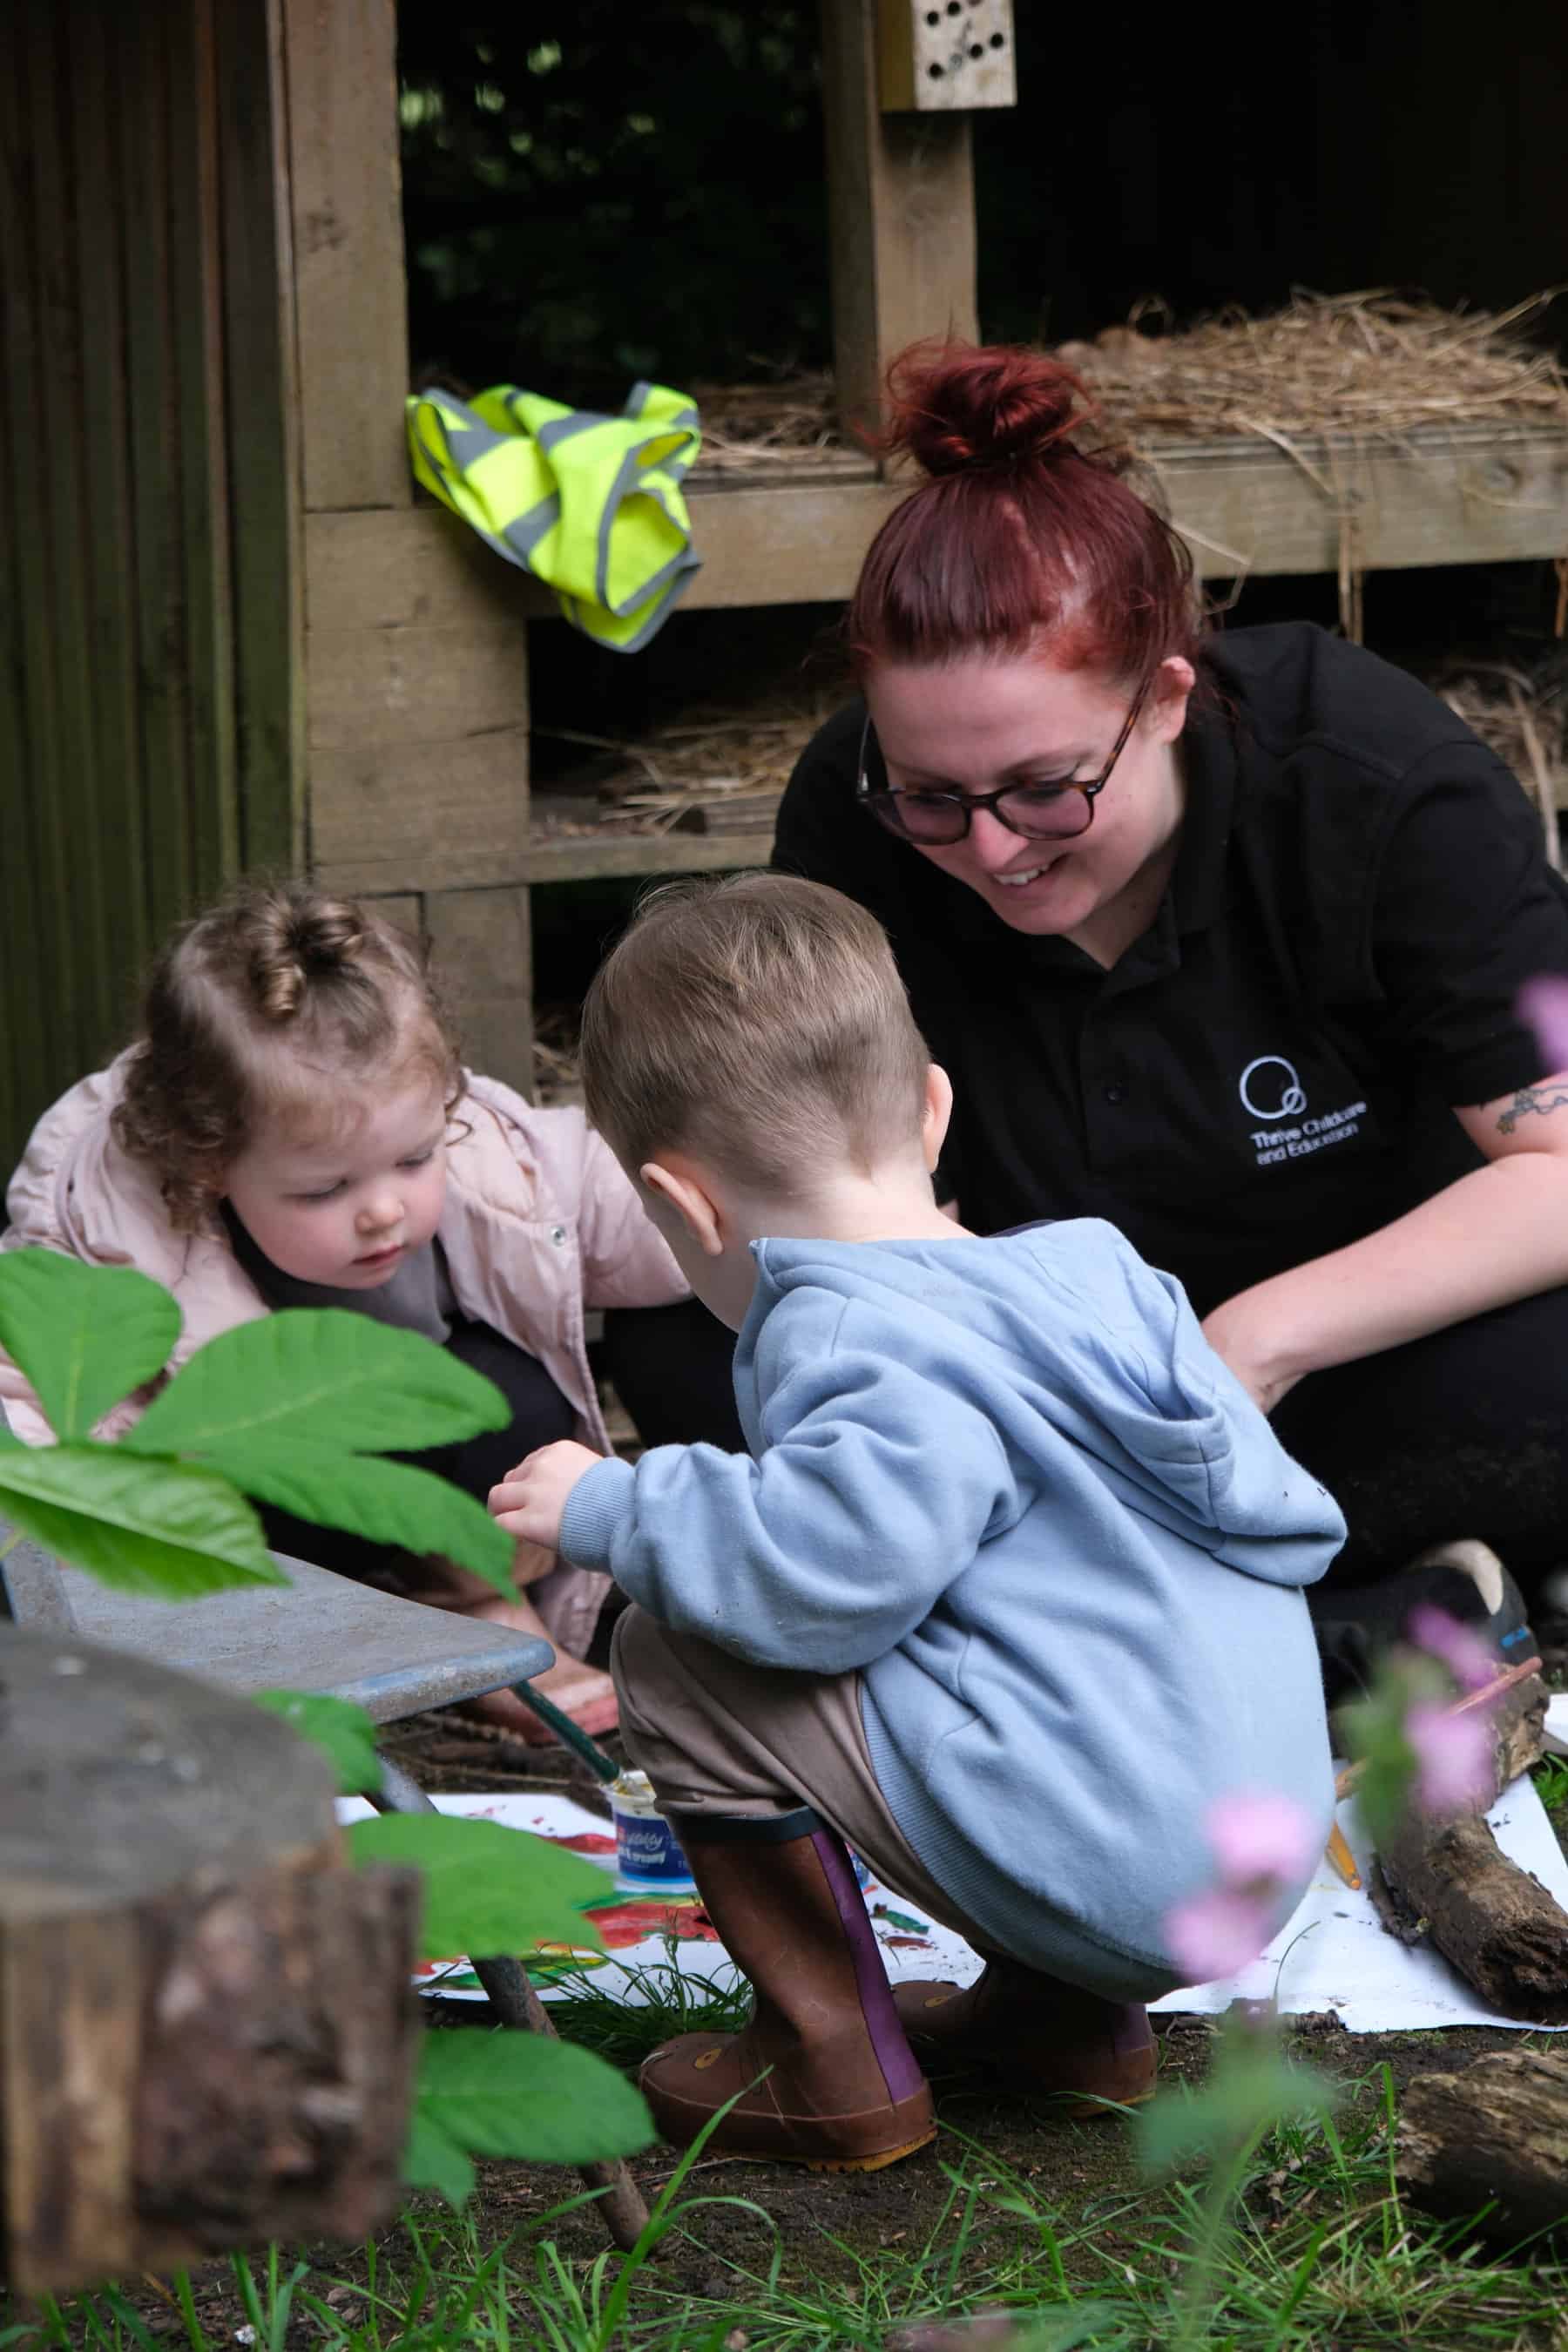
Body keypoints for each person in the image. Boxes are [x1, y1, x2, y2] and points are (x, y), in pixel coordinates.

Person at [490, 873, 1344, 2170]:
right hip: (1252, 1849)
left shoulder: (849, 1333)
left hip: (1130, 1877)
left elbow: (822, 1580)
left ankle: (830, 2065)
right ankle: (1067, 2026)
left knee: (678, 1645)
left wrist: (614, 1501)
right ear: (934, 1110)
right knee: (1020, 1618)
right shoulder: (1095, 1272)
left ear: (685, 1207)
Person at [770, 339, 1568, 1696]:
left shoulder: (1367, 779)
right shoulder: (851, 818)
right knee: (711, 1327)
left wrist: (1254, 1342)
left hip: (1346, 1350)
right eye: (930, 797)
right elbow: (824, 1186)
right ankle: (1360, 1609)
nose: (993, 849)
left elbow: (1554, 1168)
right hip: (1044, 1387)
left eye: (1043, 787)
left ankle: (1231, 1607)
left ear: (1171, 701)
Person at [0, 882, 714, 1740]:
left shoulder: (485, 1151)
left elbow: (625, 1205)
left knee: (507, 1401)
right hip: (254, 1523)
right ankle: (307, 1655)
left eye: (414, 1158)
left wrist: (804, 1218)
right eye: (326, 1188)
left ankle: (482, 1604)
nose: (382, 1209)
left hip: (418, 1484)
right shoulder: (110, 1239)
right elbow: (27, 1408)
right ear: (207, 1161)